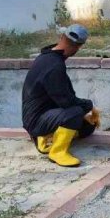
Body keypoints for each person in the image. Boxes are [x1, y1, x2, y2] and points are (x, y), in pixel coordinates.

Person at [21, 24, 99, 168]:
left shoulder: (47, 57)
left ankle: (48, 137)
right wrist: (88, 105)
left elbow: (62, 96)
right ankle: (57, 151)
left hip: (44, 114)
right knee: (75, 112)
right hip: (36, 121)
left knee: (88, 127)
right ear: (78, 47)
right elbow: (66, 102)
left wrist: (85, 114)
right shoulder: (54, 66)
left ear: (62, 37)